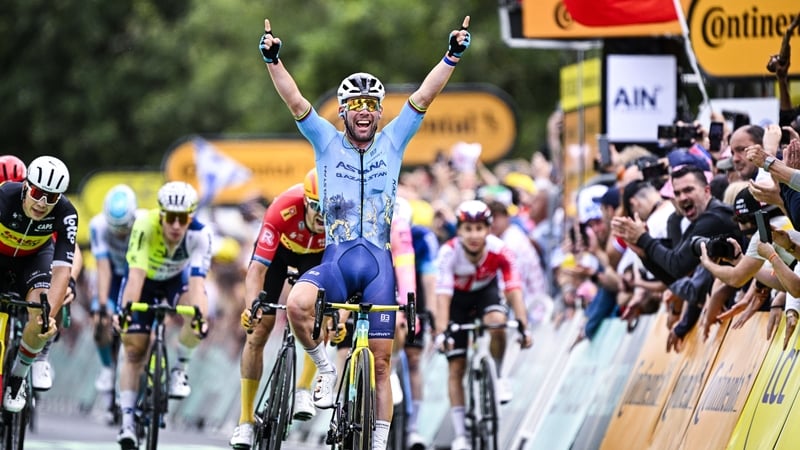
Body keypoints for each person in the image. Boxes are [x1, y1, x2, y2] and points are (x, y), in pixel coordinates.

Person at [259, 15, 472, 450]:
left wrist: (451, 55)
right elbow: (295, 99)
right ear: (343, 112)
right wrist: (273, 60)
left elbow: (425, 95)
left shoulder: (394, 141)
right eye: (354, 106)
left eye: (370, 106)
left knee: (381, 364)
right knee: (298, 303)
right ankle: (323, 365)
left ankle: (377, 443)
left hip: (378, 266)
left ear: (378, 113)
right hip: (336, 262)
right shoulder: (325, 141)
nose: (363, 113)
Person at [229, 169, 327, 450]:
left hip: (316, 259)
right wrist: (252, 309)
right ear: (306, 202)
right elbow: (257, 269)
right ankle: (245, 420)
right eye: (316, 207)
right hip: (279, 257)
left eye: (327, 207)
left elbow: (339, 272)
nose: (322, 215)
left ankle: (304, 389)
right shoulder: (282, 209)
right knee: (258, 332)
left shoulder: (339, 216)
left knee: (319, 314)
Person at [116, 181, 211, 450]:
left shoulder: (200, 235)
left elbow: (197, 284)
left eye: (183, 218)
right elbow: (135, 277)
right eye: (171, 217)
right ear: (161, 215)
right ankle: (126, 420)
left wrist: (199, 317)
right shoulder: (145, 226)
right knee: (135, 350)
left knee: (196, 319)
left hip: (175, 281)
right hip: (144, 281)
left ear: (190, 217)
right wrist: (124, 313)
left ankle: (180, 368)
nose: (176, 225)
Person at [434, 200, 533, 450]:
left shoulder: (500, 250)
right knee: (456, 367)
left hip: (485, 293)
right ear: (459, 231)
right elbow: (442, 296)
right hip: (456, 300)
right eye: (468, 229)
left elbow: (513, 288)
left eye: (480, 228)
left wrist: (523, 325)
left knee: (498, 324)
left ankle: (498, 377)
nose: (474, 235)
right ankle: (461, 435)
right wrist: (441, 331)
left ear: (489, 229)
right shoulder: (448, 252)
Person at [0, 156, 75, 412]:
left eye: (51, 197)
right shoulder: (4, 196)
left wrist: (48, 318)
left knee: (41, 316)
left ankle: (18, 377)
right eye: (37, 192)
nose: (42, 203)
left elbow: (63, 270)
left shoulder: (67, 213)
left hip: (34, 260)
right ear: (25, 185)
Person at [88, 184, 139, 423]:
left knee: (137, 330)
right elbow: (103, 267)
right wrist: (102, 305)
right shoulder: (98, 225)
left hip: (135, 275)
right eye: (115, 227)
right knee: (100, 322)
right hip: (113, 278)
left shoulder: (142, 225)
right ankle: (108, 369)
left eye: (124, 228)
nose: (119, 233)